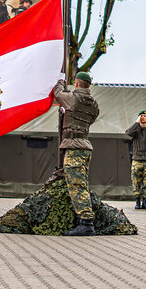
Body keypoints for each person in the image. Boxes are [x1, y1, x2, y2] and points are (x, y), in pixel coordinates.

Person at [53, 71, 101, 236]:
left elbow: (57, 93)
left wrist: (60, 80)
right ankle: (84, 220)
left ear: (78, 83)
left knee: (76, 185)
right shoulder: (94, 104)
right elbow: (92, 118)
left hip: (74, 147)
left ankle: (86, 223)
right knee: (82, 184)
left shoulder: (72, 99)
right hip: (85, 146)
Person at [126, 110, 146, 209]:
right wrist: (136, 123)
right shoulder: (135, 130)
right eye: (141, 116)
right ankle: (137, 201)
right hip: (137, 159)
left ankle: (145, 201)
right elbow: (128, 133)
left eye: (145, 116)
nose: (143, 118)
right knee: (136, 181)